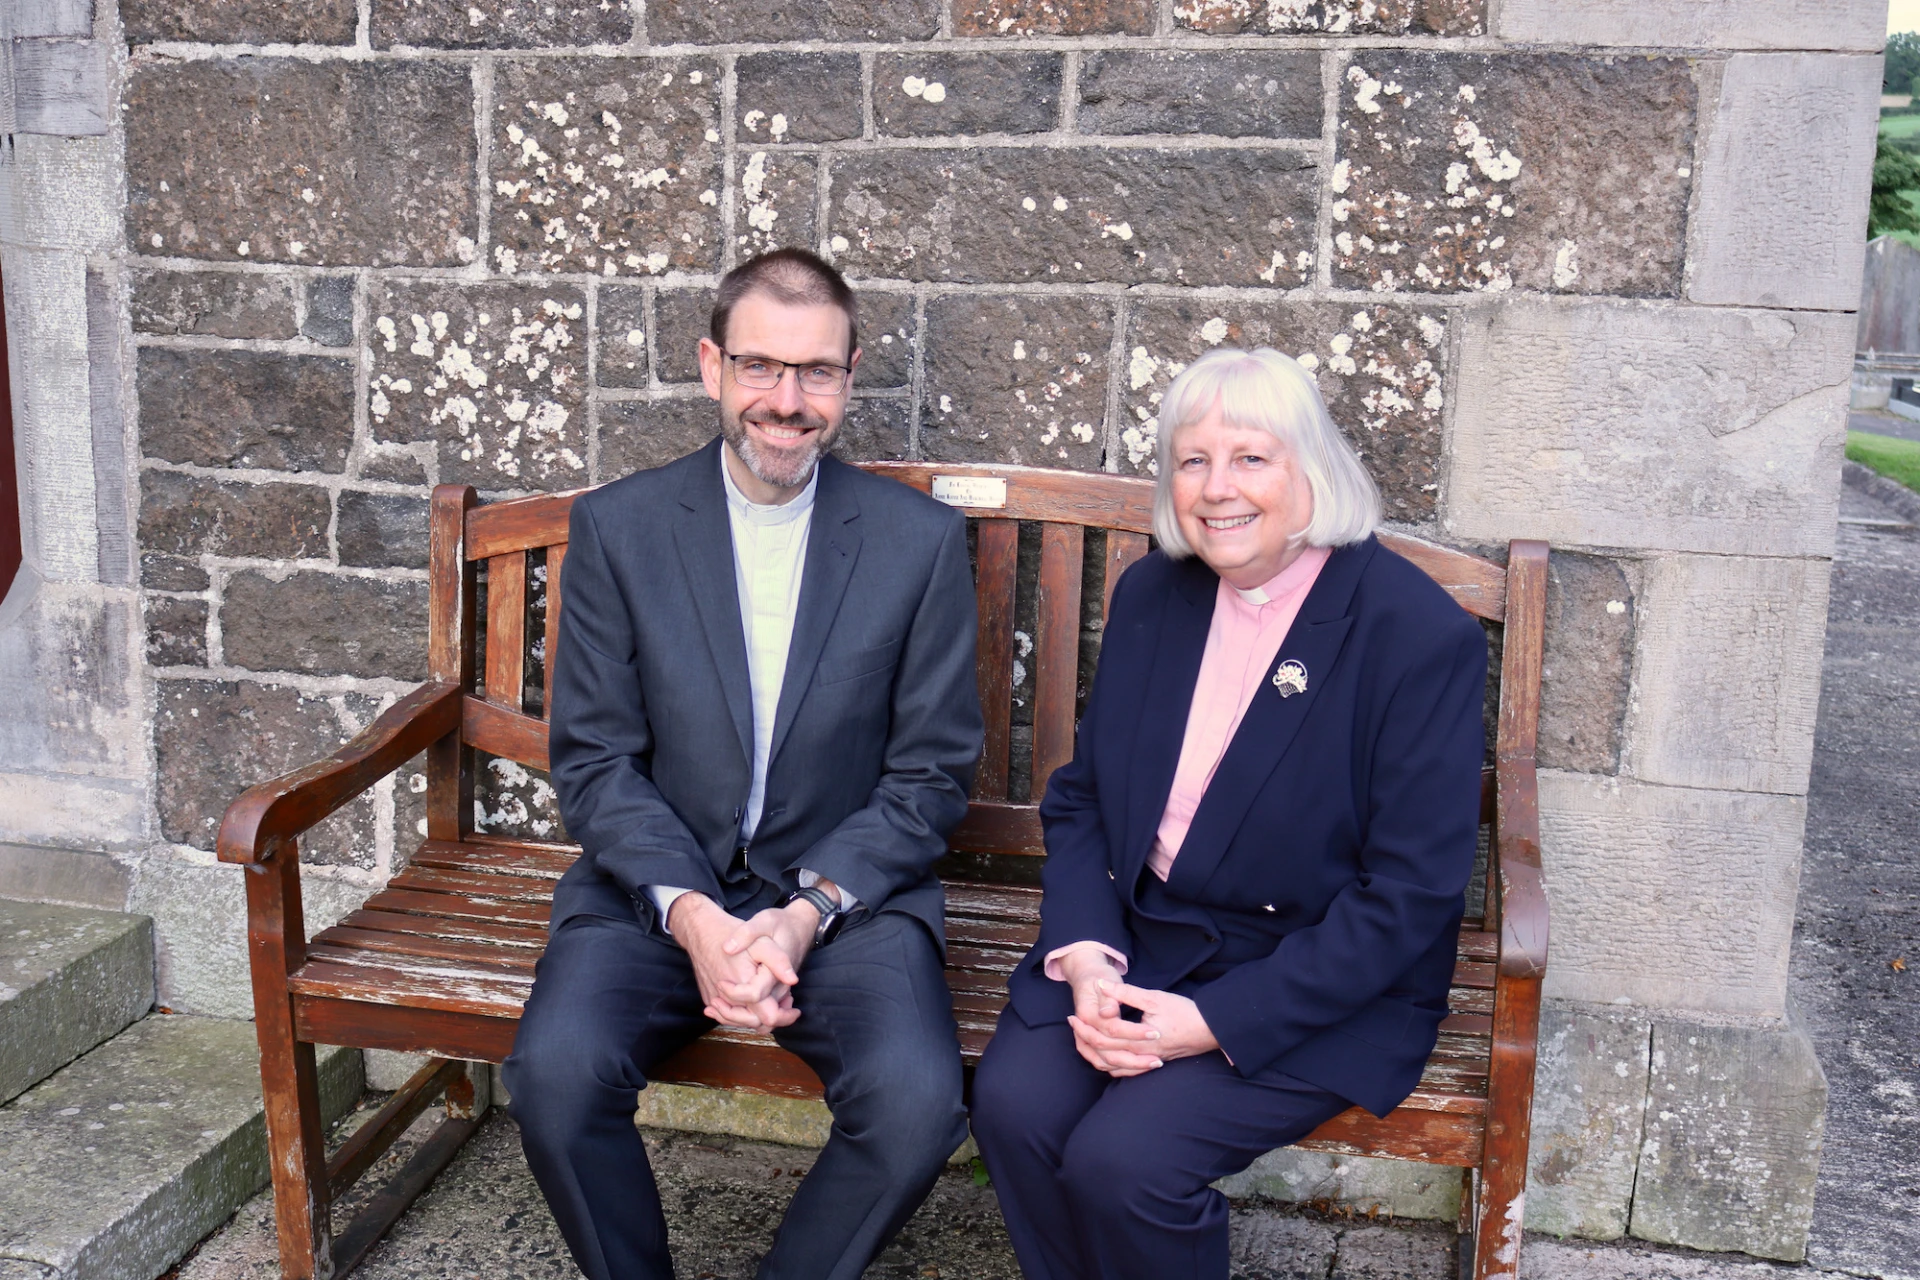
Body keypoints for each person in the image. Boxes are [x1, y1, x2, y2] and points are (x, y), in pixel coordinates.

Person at [504, 247, 984, 1280]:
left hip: (845, 899)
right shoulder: (621, 528)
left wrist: (804, 911)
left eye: (816, 372)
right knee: (553, 1074)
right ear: (711, 366)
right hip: (655, 891)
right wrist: (695, 913)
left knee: (915, 1101)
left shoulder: (919, 543)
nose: (787, 399)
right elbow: (593, 757)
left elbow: (932, 773)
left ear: (850, 380)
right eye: (761, 366)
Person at [969, 346, 1488, 1280]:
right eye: (1192, 461)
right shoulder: (1155, 595)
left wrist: (1209, 1024)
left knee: (1126, 1163)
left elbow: (1409, 898)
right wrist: (1086, 952)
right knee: (1013, 1105)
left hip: (1315, 977)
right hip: (1143, 935)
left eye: (1251, 458)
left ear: (1310, 470)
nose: (1217, 489)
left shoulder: (1415, 637)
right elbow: (1085, 798)